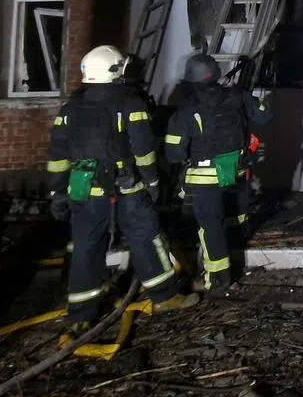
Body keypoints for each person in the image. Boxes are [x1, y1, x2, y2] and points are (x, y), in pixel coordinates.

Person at [47, 45, 198, 333]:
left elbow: (57, 156)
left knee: (85, 247)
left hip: (84, 190)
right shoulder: (129, 103)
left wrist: (58, 194)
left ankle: (81, 314)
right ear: (117, 70)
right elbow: (144, 150)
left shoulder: (69, 109)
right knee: (146, 237)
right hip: (127, 189)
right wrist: (152, 183)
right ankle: (164, 297)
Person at [164, 53, 273, 291]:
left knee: (210, 227)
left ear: (190, 81)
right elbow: (265, 115)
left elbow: (174, 153)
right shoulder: (237, 96)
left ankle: (218, 280)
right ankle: (238, 260)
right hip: (237, 172)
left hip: (205, 180)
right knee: (237, 217)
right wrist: (247, 98)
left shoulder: (185, 111)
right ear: (216, 74)